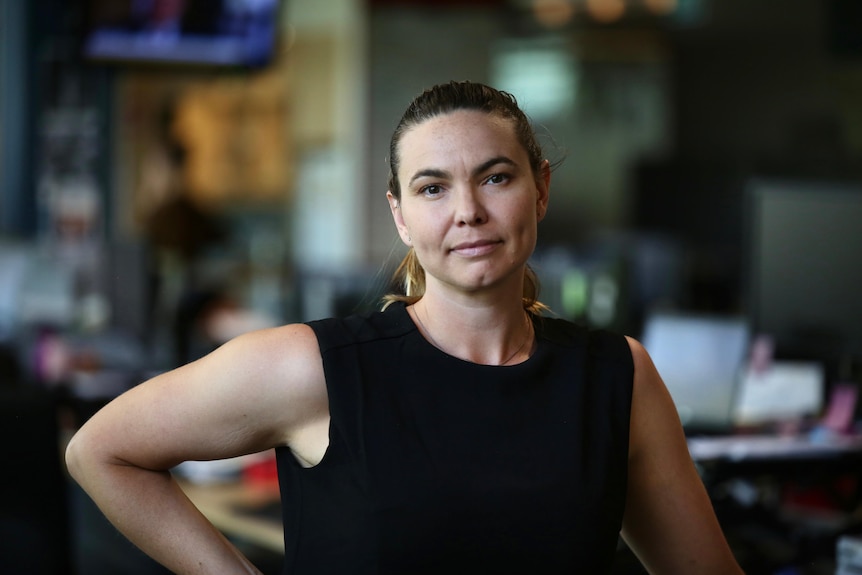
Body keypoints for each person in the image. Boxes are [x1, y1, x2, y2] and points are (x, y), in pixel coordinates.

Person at [65, 80, 744, 574]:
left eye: (496, 177)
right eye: (432, 188)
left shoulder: (617, 375)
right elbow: (100, 450)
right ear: (400, 215)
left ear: (540, 188)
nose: (468, 211)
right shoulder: (316, 368)